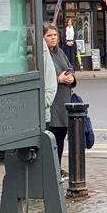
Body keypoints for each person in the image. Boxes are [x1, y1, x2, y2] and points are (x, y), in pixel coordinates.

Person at [42, 24, 77, 163]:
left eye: (55, 35)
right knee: (54, 136)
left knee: (61, 136)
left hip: (64, 102)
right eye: (49, 36)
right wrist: (58, 79)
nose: (53, 38)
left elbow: (69, 68)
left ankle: (58, 167)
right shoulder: (43, 55)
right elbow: (43, 78)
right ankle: (53, 168)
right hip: (52, 102)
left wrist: (71, 77)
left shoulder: (60, 52)